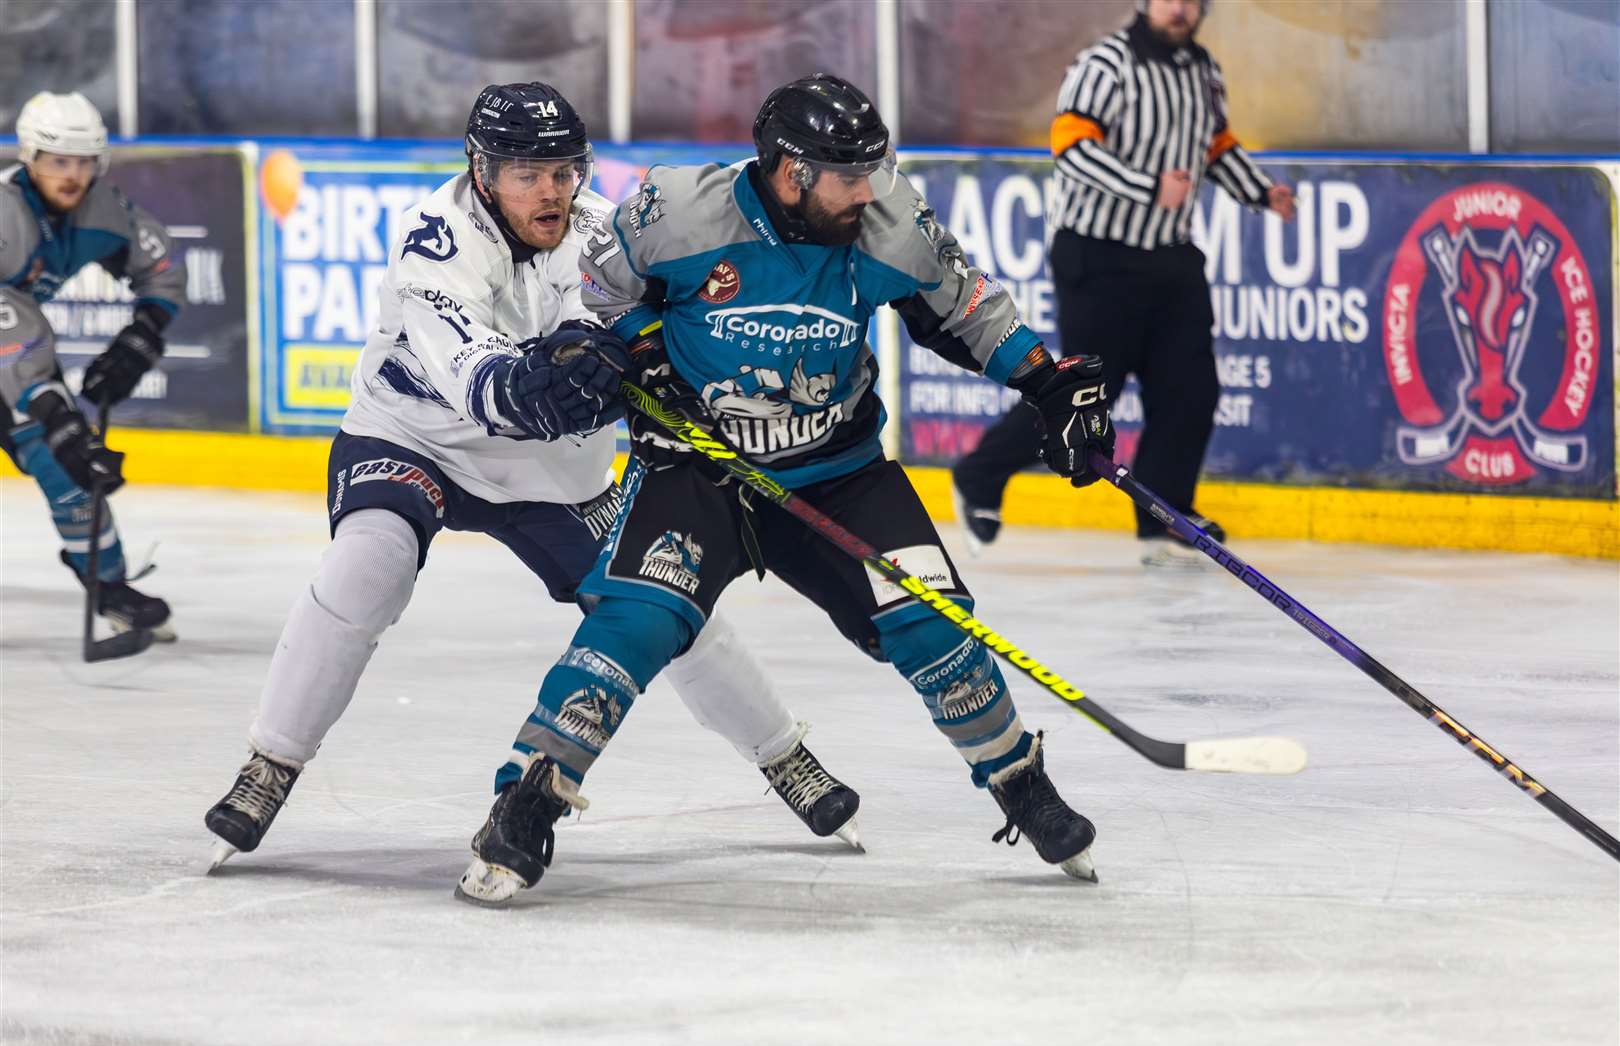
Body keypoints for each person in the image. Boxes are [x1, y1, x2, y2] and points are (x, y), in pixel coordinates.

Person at [456, 73, 1114, 906]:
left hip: (836, 475)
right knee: (636, 624)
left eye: (874, 170)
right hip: (700, 473)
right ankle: (525, 799)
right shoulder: (679, 211)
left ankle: (1021, 783)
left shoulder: (889, 222)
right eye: (850, 175)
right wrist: (644, 353)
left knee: (932, 624)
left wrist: (1047, 382)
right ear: (792, 172)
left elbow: (966, 309)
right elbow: (604, 293)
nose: (868, 189)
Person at [203, 83, 860, 869]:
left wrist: (653, 360)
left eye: (564, 170)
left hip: (554, 473)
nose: (551, 189)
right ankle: (271, 762)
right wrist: (562, 379)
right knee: (367, 565)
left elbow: (651, 322)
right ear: (481, 171)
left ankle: (782, 752)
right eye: (527, 172)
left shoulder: (604, 229)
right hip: (416, 440)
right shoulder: (435, 243)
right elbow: (487, 386)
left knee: (662, 601)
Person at [951, 0, 1296, 566]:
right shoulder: (1105, 65)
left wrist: (1260, 192)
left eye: (1190, 0)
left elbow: (1214, 146)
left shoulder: (1203, 70)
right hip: (1099, 255)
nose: (1180, 9)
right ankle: (979, 475)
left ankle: (1164, 518)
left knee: (1191, 390)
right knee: (1090, 393)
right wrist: (1146, 187)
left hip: (1172, 256)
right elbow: (1071, 148)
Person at [0, 91, 184, 637]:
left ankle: (109, 588)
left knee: (71, 468)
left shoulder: (102, 209)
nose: (72, 175)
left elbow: (162, 264)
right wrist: (53, 412)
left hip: (16, 353)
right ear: (29, 158)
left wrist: (141, 336)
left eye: (84, 162)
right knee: (60, 436)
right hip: (14, 349)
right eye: (59, 161)